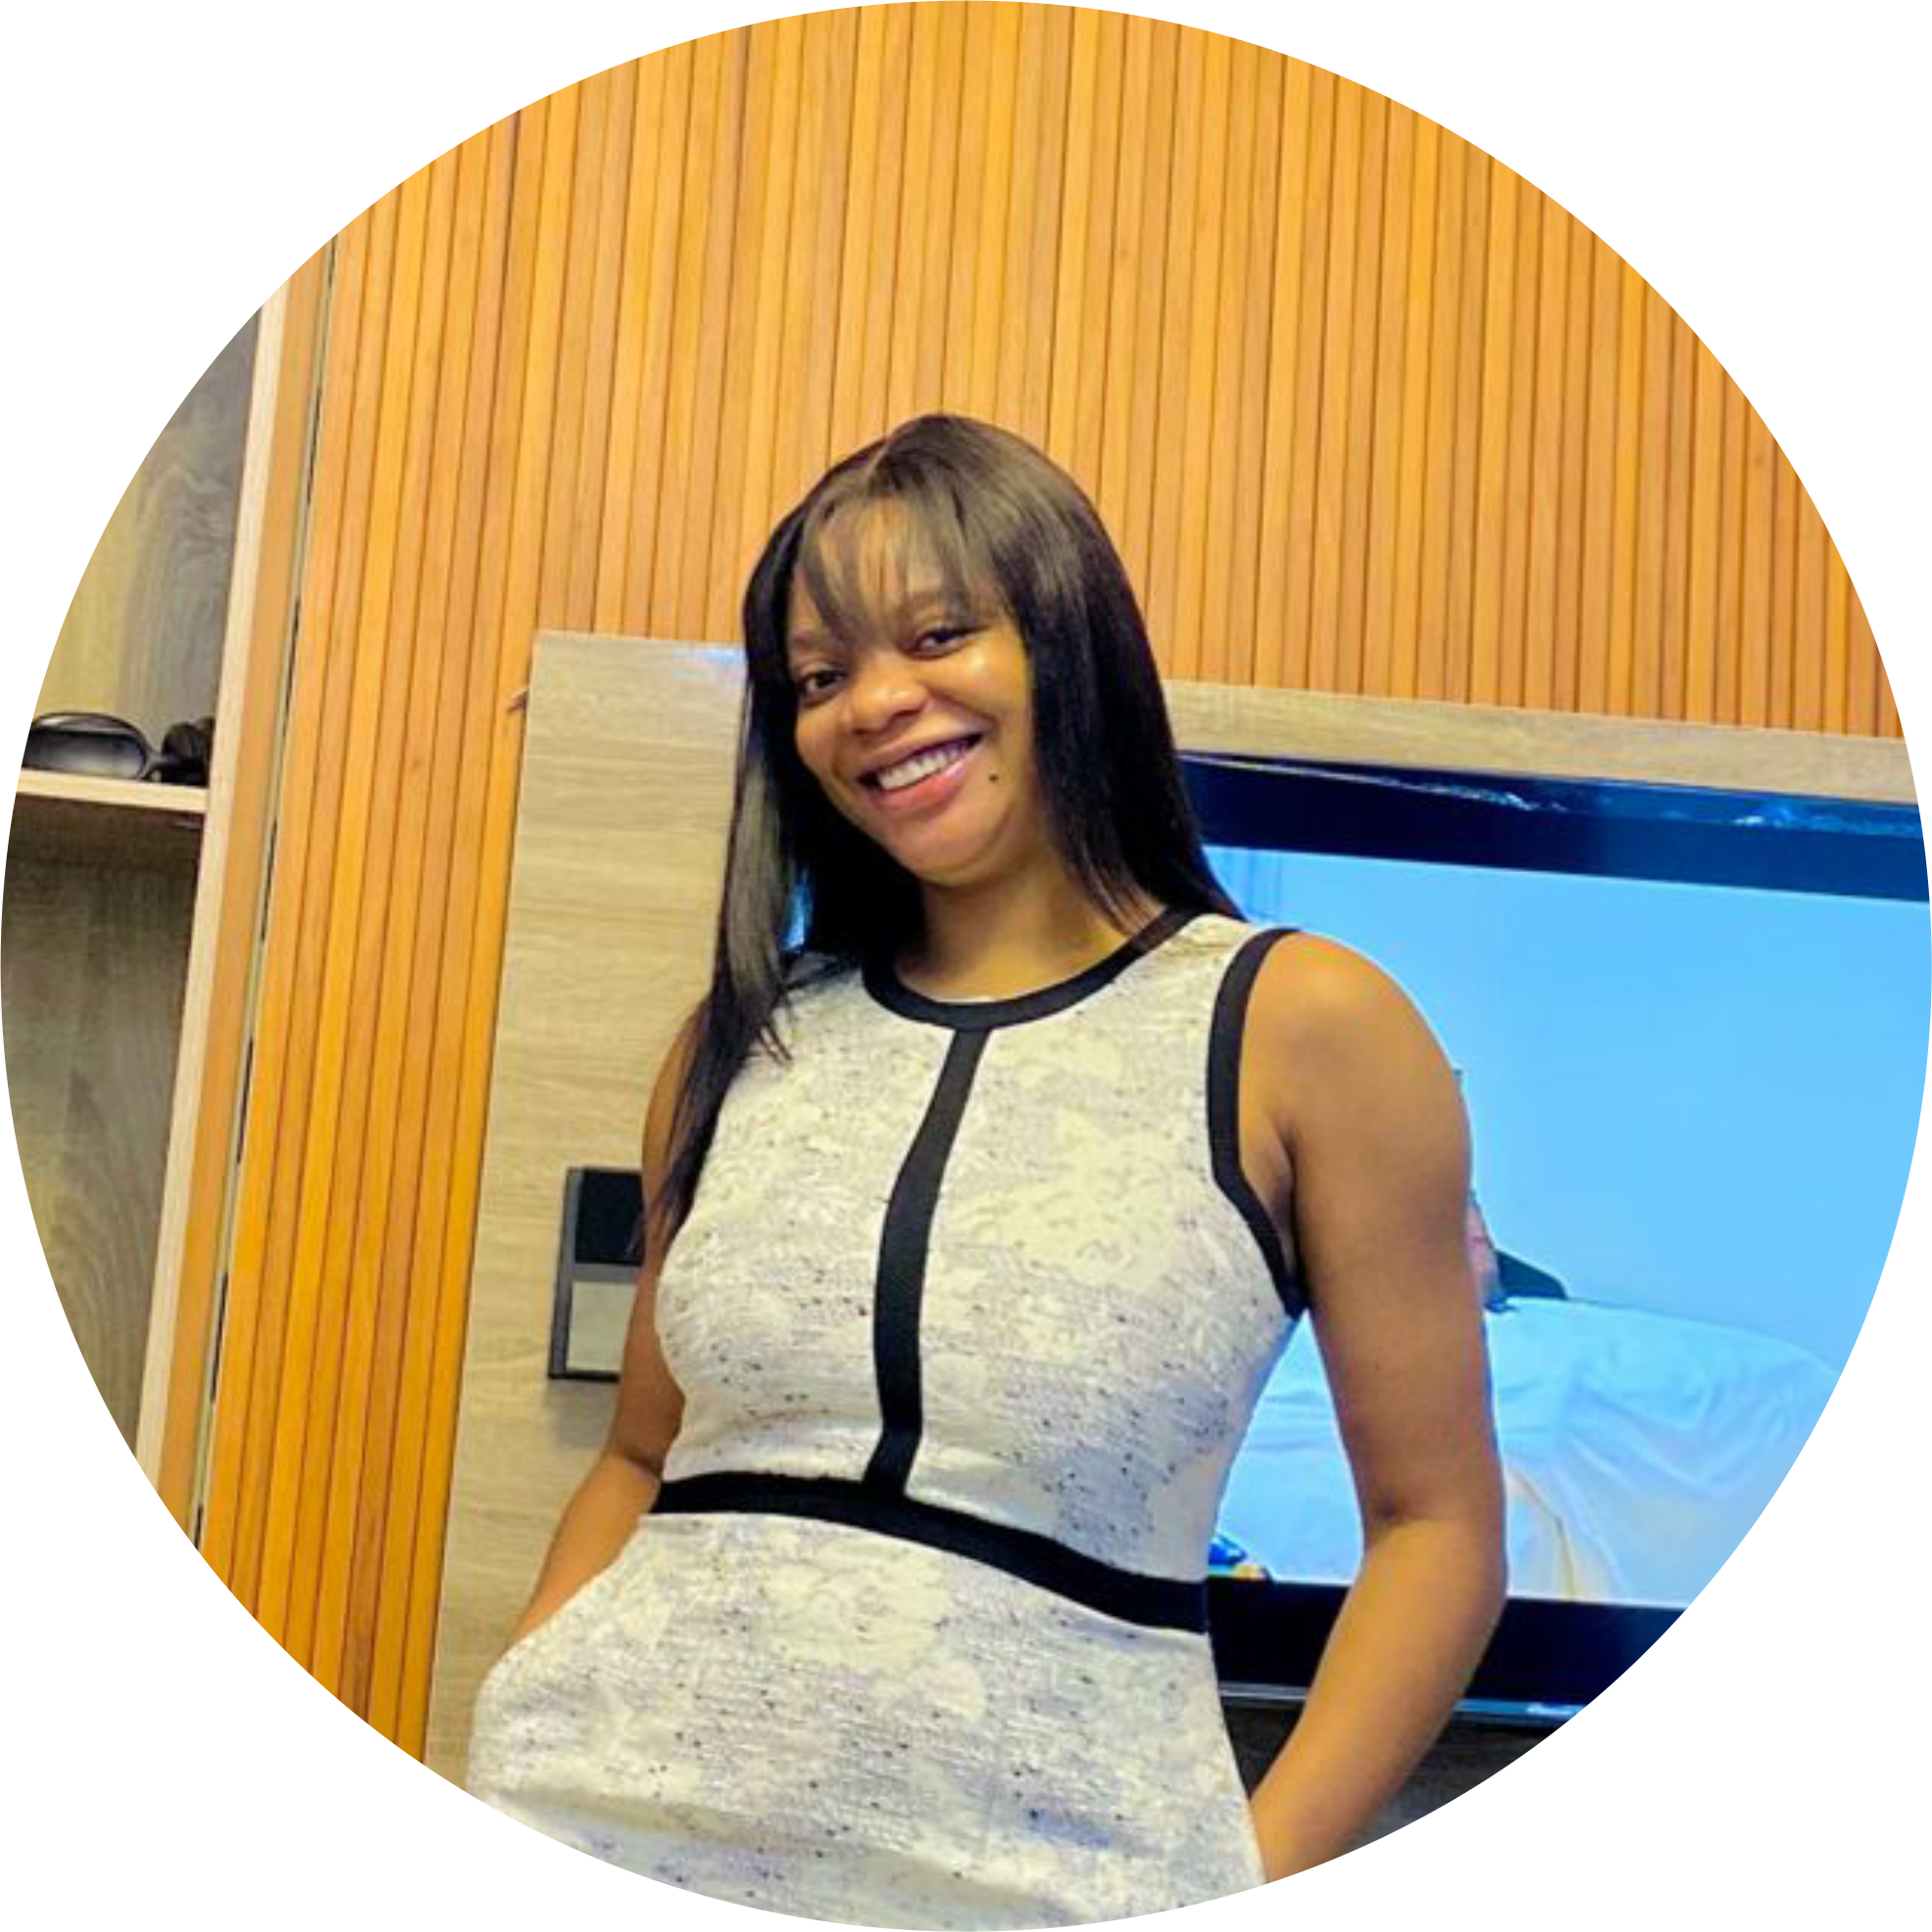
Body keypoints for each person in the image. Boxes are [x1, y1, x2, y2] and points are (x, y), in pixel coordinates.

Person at [466, 414, 1505, 1927]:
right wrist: (520, 1714)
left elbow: (1436, 1529)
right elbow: (640, 1455)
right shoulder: (740, 1040)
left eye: (938, 633)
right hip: (592, 1822)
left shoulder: (1307, 1026)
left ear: (1065, 638)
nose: (875, 702)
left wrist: (1241, 1876)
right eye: (818, 675)